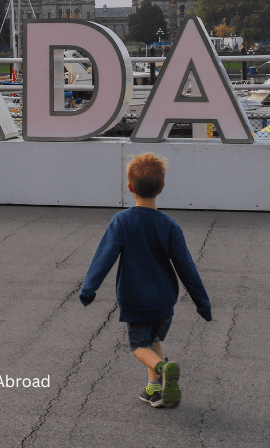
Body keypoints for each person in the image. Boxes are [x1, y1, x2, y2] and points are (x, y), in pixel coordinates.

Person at [79, 154, 212, 409]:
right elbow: (187, 268)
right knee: (154, 341)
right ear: (162, 188)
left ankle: (164, 368)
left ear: (130, 188)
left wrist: (88, 290)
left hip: (135, 298)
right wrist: (202, 304)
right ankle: (156, 390)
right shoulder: (170, 225)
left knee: (139, 346)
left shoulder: (122, 221)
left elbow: (104, 257)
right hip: (164, 300)